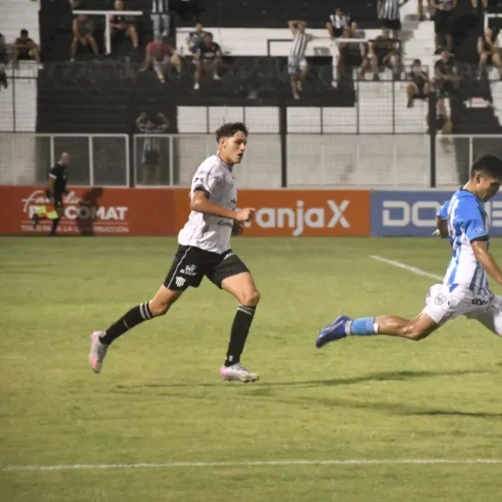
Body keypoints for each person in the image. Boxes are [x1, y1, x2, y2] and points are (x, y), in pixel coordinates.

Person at [316, 155, 502, 408]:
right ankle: (346, 326)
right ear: (478, 178)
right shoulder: (470, 208)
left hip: (480, 294)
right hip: (460, 290)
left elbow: (441, 214)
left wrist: (443, 231)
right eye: (494, 185)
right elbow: (479, 252)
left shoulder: (459, 198)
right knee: (413, 331)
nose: (495, 192)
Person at [88, 123, 263, 382]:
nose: (243, 147)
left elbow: (214, 207)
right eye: (238, 142)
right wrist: (235, 214)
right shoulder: (211, 167)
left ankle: (231, 365)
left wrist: (231, 223)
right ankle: (103, 338)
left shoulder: (226, 172)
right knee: (159, 307)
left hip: (219, 253)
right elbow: (197, 202)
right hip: (195, 250)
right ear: (223, 142)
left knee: (250, 296)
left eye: (245, 143)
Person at [32, 152, 70, 236]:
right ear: (63, 158)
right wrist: (52, 196)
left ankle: (52, 232)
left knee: (59, 213)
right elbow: (50, 182)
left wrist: (65, 190)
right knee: (59, 212)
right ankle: (37, 214)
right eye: (67, 159)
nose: (68, 161)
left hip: (58, 193)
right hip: (53, 192)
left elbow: (60, 182)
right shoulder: (56, 168)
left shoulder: (63, 169)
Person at [288, 20, 312, 100]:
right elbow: (290, 22)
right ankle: (295, 93)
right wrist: (298, 21)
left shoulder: (308, 36)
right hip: (293, 56)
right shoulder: (296, 33)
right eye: (300, 26)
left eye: (303, 26)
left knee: (305, 68)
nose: (301, 28)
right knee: (293, 76)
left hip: (301, 56)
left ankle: (300, 82)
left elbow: (316, 37)